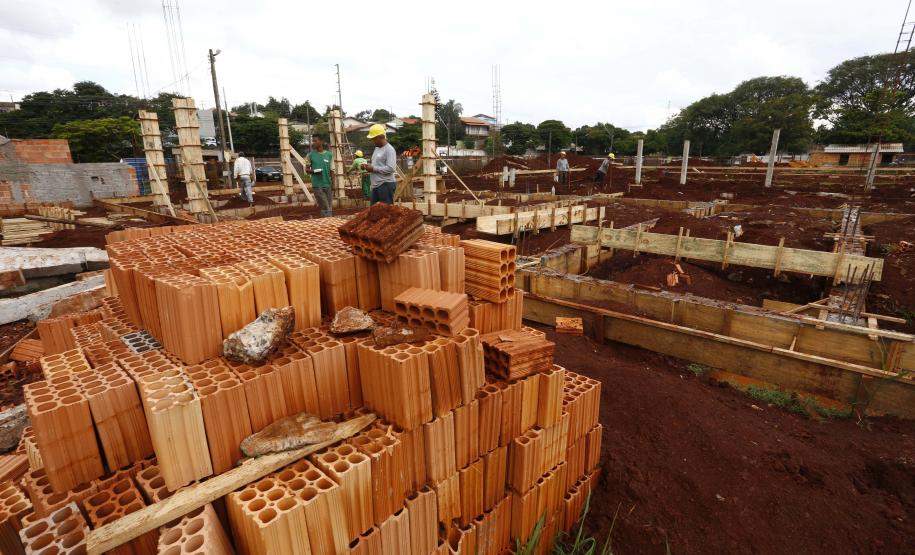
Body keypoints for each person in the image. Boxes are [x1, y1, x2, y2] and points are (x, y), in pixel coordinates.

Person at [363, 124, 397, 205]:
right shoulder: (377, 149)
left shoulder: (389, 149)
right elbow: (377, 164)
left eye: (374, 138)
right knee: (374, 212)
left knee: (386, 212)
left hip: (385, 184)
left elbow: (391, 168)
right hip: (376, 185)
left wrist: (373, 168)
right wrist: (368, 166)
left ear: (381, 137)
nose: (373, 141)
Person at [307, 135, 334, 217]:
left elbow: (332, 170)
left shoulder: (329, 155)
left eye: (315, 141)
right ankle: (329, 222)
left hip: (327, 184)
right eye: (313, 141)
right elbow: (307, 170)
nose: (313, 143)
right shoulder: (310, 155)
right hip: (317, 185)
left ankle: (326, 223)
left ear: (321, 142)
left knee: (328, 206)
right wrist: (314, 171)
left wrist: (333, 184)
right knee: (325, 206)